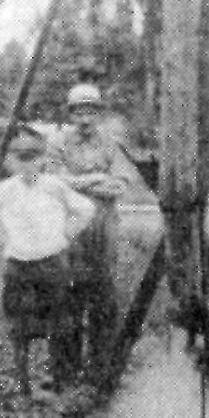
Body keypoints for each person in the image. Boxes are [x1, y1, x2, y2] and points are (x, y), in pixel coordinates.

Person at [49, 82, 147, 388]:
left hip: (103, 228)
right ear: (70, 114)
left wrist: (77, 182)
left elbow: (120, 184)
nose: (85, 119)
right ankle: (66, 373)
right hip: (69, 230)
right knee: (67, 298)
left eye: (90, 111)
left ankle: (100, 371)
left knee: (103, 298)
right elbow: (54, 183)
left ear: (98, 114)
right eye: (79, 112)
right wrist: (95, 177)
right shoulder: (58, 142)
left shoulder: (110, 143)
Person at [0, 130, 95, 396]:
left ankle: (60, 379)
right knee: (19, 326)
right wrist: (2, 239)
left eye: (33, 158)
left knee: (59, 323)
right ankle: (23, 383)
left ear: (42, 160)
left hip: (51, 264)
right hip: (18, 266)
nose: (27, 165)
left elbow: (86, 209)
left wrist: (67, 233)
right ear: (11, 162)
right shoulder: (3, 190)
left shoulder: (54, 186)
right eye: (21, 159)